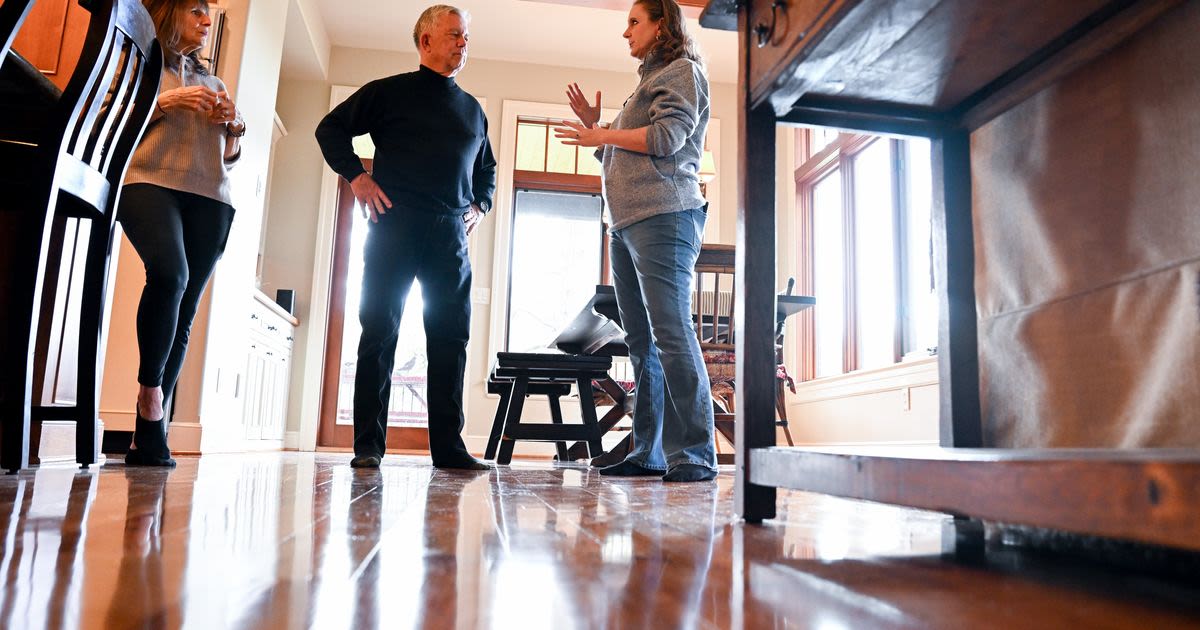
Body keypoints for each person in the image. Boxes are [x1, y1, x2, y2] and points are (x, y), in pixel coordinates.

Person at [315, 4, 496, 470]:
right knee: (379, 331)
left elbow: (487, 169)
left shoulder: (474, 110)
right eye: (454, 35)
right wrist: (357, 177)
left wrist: (480, 204)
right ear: (426, 41)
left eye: (466, 36)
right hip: (393, 226)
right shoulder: (388, 93)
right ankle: (368, 447)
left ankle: (449, 449)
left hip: (449, 236)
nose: (462, 43)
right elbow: (330, 128)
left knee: (451, 338)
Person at [556, 0, 716, 481]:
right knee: (643, 341)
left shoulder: (683, 70)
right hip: (625, 224)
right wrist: (599, 133)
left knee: (670, 332)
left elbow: (667, 139)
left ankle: (694, 453)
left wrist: (605, 133)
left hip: (665, 216)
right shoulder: (643, 86)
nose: (625, 32)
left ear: (661, 24)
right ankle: (647, 451)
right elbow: (621, 163)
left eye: (633, 22)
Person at [120, 0, 245, 466]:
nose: (207, 20)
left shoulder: (214, 82)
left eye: (208, 13)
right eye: (196, 10)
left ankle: (148, 437)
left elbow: (229, 158)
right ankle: (151, 396)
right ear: (170, 12)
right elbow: (105, 117)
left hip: (211, 195)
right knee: (169, 275)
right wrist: (162, 102)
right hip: (148, 181)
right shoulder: (135, 59)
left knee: (186, 307)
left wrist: (233, 128)